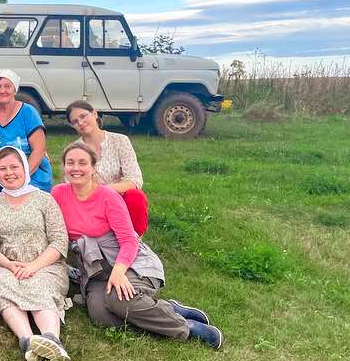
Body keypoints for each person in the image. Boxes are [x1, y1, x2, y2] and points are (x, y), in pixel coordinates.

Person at [51, 141, 223, 349]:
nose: (76, 168)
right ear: (64, 166)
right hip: (95, 270)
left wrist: (118, 272)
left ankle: (186, 328)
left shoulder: (108, 197)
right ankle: (168, 308)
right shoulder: (59, 193)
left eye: (82, 163)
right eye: (70, 163)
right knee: (100, 316)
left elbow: (128, 241)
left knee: (118, 301)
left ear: (93, 168)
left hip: (128, 262)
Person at [0, 146, 71, 361]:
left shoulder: (44, 200)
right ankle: (28, 340)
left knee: (40, 285)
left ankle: (51, 339)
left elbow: (59, 241)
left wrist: (33, 266)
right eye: (2, 169)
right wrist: (10, 265)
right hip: (7, 265)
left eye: (14, 166)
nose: (9, 172)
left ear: (25, 167)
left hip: (45, 264)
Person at [66, 100, 149, 235]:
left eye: (83, 116)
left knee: (136, 196)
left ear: (94, 113)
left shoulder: (120, 140)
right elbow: (72, 185)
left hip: (120, 199)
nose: (80, 123)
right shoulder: (75, 149)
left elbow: (134, 180)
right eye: (75, 121)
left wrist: (104, 191)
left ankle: (133, 240)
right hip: (91, 203)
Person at [0, 69, 51, 192]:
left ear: (15, 89)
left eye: (7, 86)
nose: (2, 90)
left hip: (31, 182)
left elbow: (39, 150)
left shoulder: (28, 112)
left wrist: (21, 181)